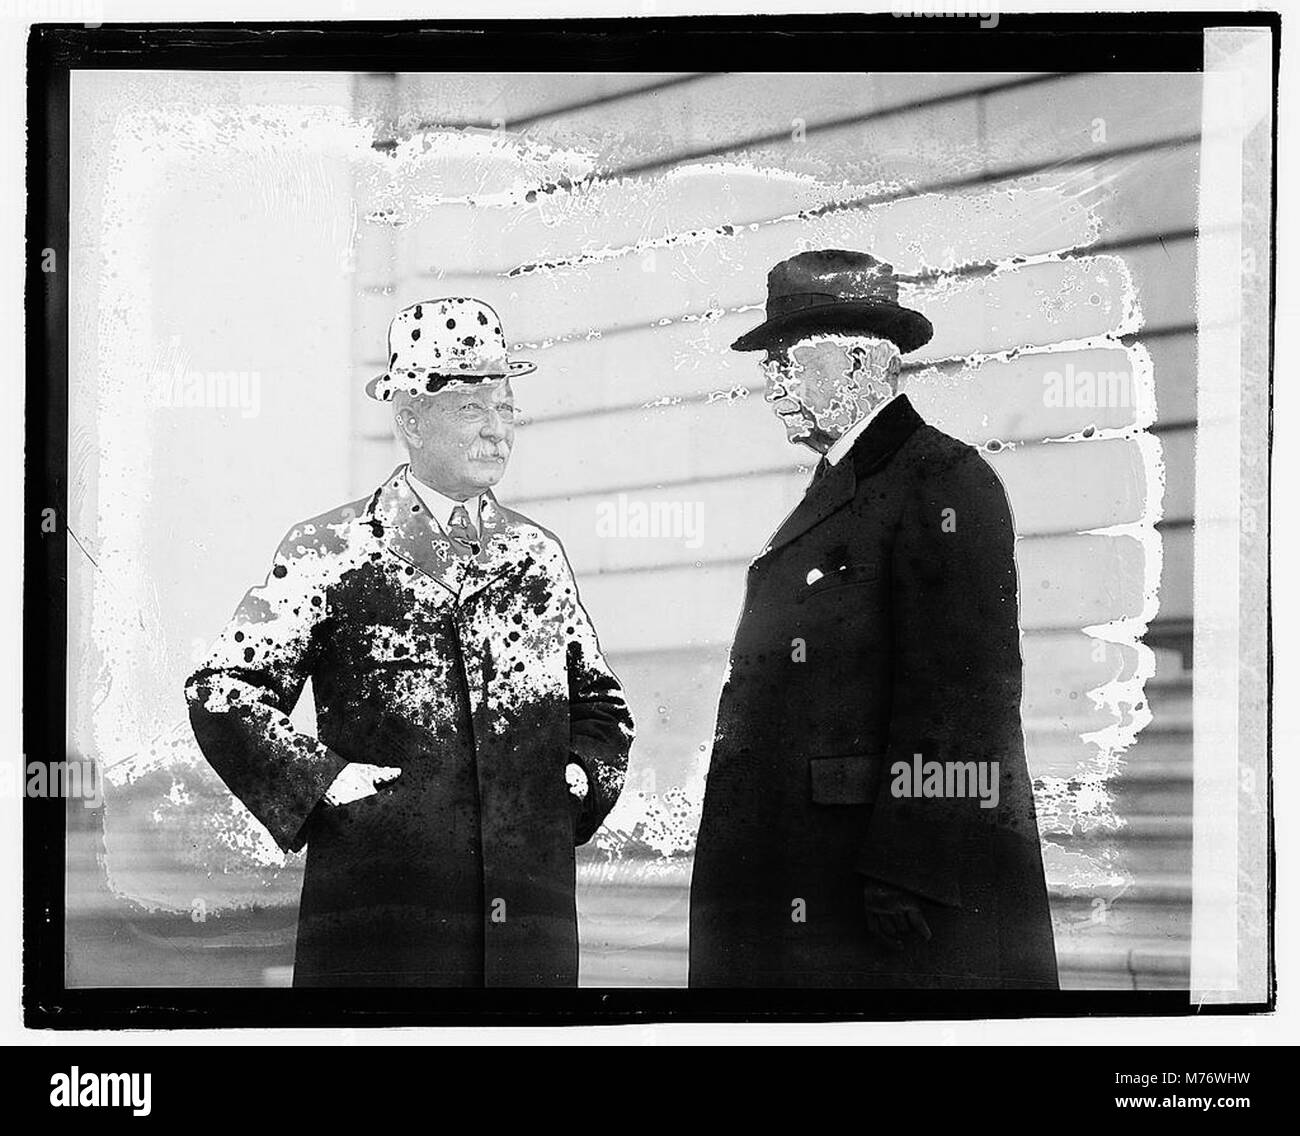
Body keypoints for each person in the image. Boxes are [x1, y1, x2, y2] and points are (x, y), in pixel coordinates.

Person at [186, 297, 633, 987]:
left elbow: (602, 708)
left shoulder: (537, 555)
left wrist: (575, 779)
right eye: (471, 409)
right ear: (411, 420)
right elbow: (223, 692)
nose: (497, 433)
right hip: (381, 930)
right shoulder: (331, 551)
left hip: (528, 938)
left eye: (506, 409)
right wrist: (324, 780)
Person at [688, 250, 1058, 989]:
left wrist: (908, 869)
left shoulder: (943, 481)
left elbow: (966, 695)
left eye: (787, 361)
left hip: (876, 889)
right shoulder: (853, 484)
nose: (771, 387)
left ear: (860, 366)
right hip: (816, 869)